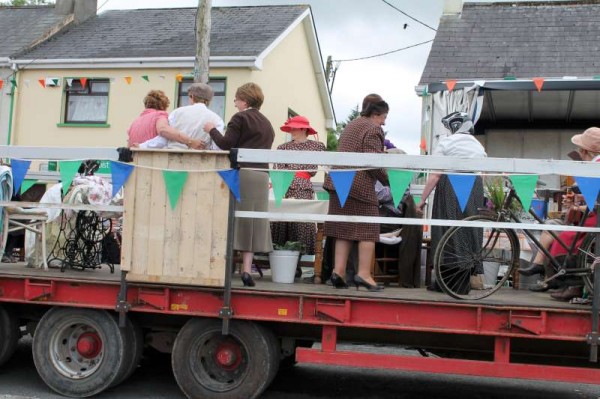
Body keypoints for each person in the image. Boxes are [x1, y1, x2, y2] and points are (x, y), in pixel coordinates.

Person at [203, 83, 275, 287]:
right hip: (262, 175)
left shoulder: (240, 117)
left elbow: (226, 144)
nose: (234, 103)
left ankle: (224, 268)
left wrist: (211, 130)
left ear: (244, 100)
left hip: (242, 173)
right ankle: (246, 270)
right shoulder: (267, 123)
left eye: (235, 99)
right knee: (252, 221)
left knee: (231, 218)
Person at [520, 127, 600, 301]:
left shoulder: (596, 165)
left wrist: (577, 207)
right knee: (561, 234)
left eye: (581, 149)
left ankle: (573, 285)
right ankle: (560, 280)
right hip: (594, 216)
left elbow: (595, 201)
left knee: (566, 239)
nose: (579, 152)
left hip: (595, 219)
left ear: (586, 150)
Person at [322, 99, 390, 292]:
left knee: (343, 229)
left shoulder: (352, 125)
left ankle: (339, 272)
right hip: (358, 186)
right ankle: (364, 274)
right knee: (369, 228)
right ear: (376, 114)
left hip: (338, 182)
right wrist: (388, 179)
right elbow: (372, 161)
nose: (384, 122)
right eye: (384, 117)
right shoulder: (373, 129)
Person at [416, 111, 487, 293]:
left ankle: (446, 282)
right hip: (474, 187)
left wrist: (422, 200)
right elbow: (484, 173)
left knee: (446, 231)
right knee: (469, 231)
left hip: (451, 186)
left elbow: (436, 174)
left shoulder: (447, 142)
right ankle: (462, 282)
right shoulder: (478, 146)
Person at [271, 116, 326, 260]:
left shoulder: (317, 146)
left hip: (304, 188)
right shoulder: (283, 148)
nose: (291, 130)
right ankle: (282, 260)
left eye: (294, 127)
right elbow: (278, 172)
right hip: (285, 188)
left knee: (301, 224)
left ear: (303, 129)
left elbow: (328, 166)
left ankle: (299, 261)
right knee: (282, 223)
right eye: (291, 127)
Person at [127, 90, 206, 149]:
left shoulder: (135, 122)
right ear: (164, 105)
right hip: (152, 161)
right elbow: (163, 130)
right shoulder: (160, 115)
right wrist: (190, 141)